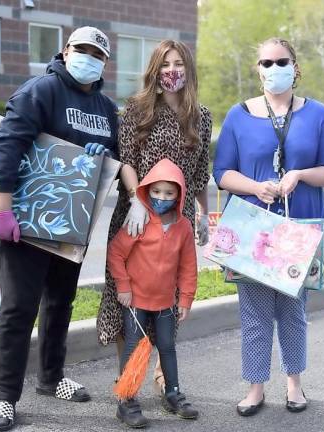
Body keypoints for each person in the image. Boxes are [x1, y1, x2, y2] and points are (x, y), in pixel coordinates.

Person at [0, 27, 118, 431]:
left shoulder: (106, 108)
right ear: (65, 50)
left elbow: (115, 157)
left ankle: (51, 377)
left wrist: (105, 152)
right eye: (82, 50)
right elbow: (7, 145)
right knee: (18, 308)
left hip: (71, 226)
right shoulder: (39, 91)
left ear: (104, 64)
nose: (88, 58)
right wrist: (2, 209)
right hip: (25, 222)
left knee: (60, 302)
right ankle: (5, 398)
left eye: (97, 54)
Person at [213, 37, 324, 416]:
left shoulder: (318, 115)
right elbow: (221, 173)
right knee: (253, 312)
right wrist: (255, 187)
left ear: (294, 66)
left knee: (293, 309)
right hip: (253, 229)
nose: (273, 69)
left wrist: (298, 173)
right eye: (265, 63)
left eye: (280, 61)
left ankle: (294, 384)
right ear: (257, 69)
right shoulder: (238, 115)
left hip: (298, 227)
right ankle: (255, 387)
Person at [96, 39, 212, 395]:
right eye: (164, 64)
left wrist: (204, 213)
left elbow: (200, 171)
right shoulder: (137, 109)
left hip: (178, 220)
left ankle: (166, 381)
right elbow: (127, 160)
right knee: (125, 298)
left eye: (178, 64)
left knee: (169, 296)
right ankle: (127, 381)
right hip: (135, 215)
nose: (171, 71)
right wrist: (135, 200)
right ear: (154, 70)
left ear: (188, 70)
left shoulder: (201, 116)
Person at [108, 158, 199, 427]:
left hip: (165, 303)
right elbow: (116, 253)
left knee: (168, 348)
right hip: (135, 300)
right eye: (156, 192)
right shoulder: (140, 220)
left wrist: (186, 299)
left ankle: (172, 393)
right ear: (147, 190)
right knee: (134, 350)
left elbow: (188, 267)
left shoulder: (183, 227)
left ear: (179, 195)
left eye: (169, 193)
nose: (162, 198)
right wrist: (123, 286)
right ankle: (126, 400)